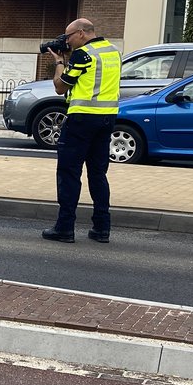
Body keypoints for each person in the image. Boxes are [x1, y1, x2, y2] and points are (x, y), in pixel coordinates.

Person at [42, 17, 122, 244]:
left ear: (81, 33)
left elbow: (60, 87)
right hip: (107, 119)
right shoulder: (113, 52)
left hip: (81, 121)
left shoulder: (83, 55)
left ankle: (64, 228)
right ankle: (102, 228)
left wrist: (59, 62)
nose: (66, 41)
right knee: (98, 174)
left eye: (68, 36)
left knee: (69, 174)